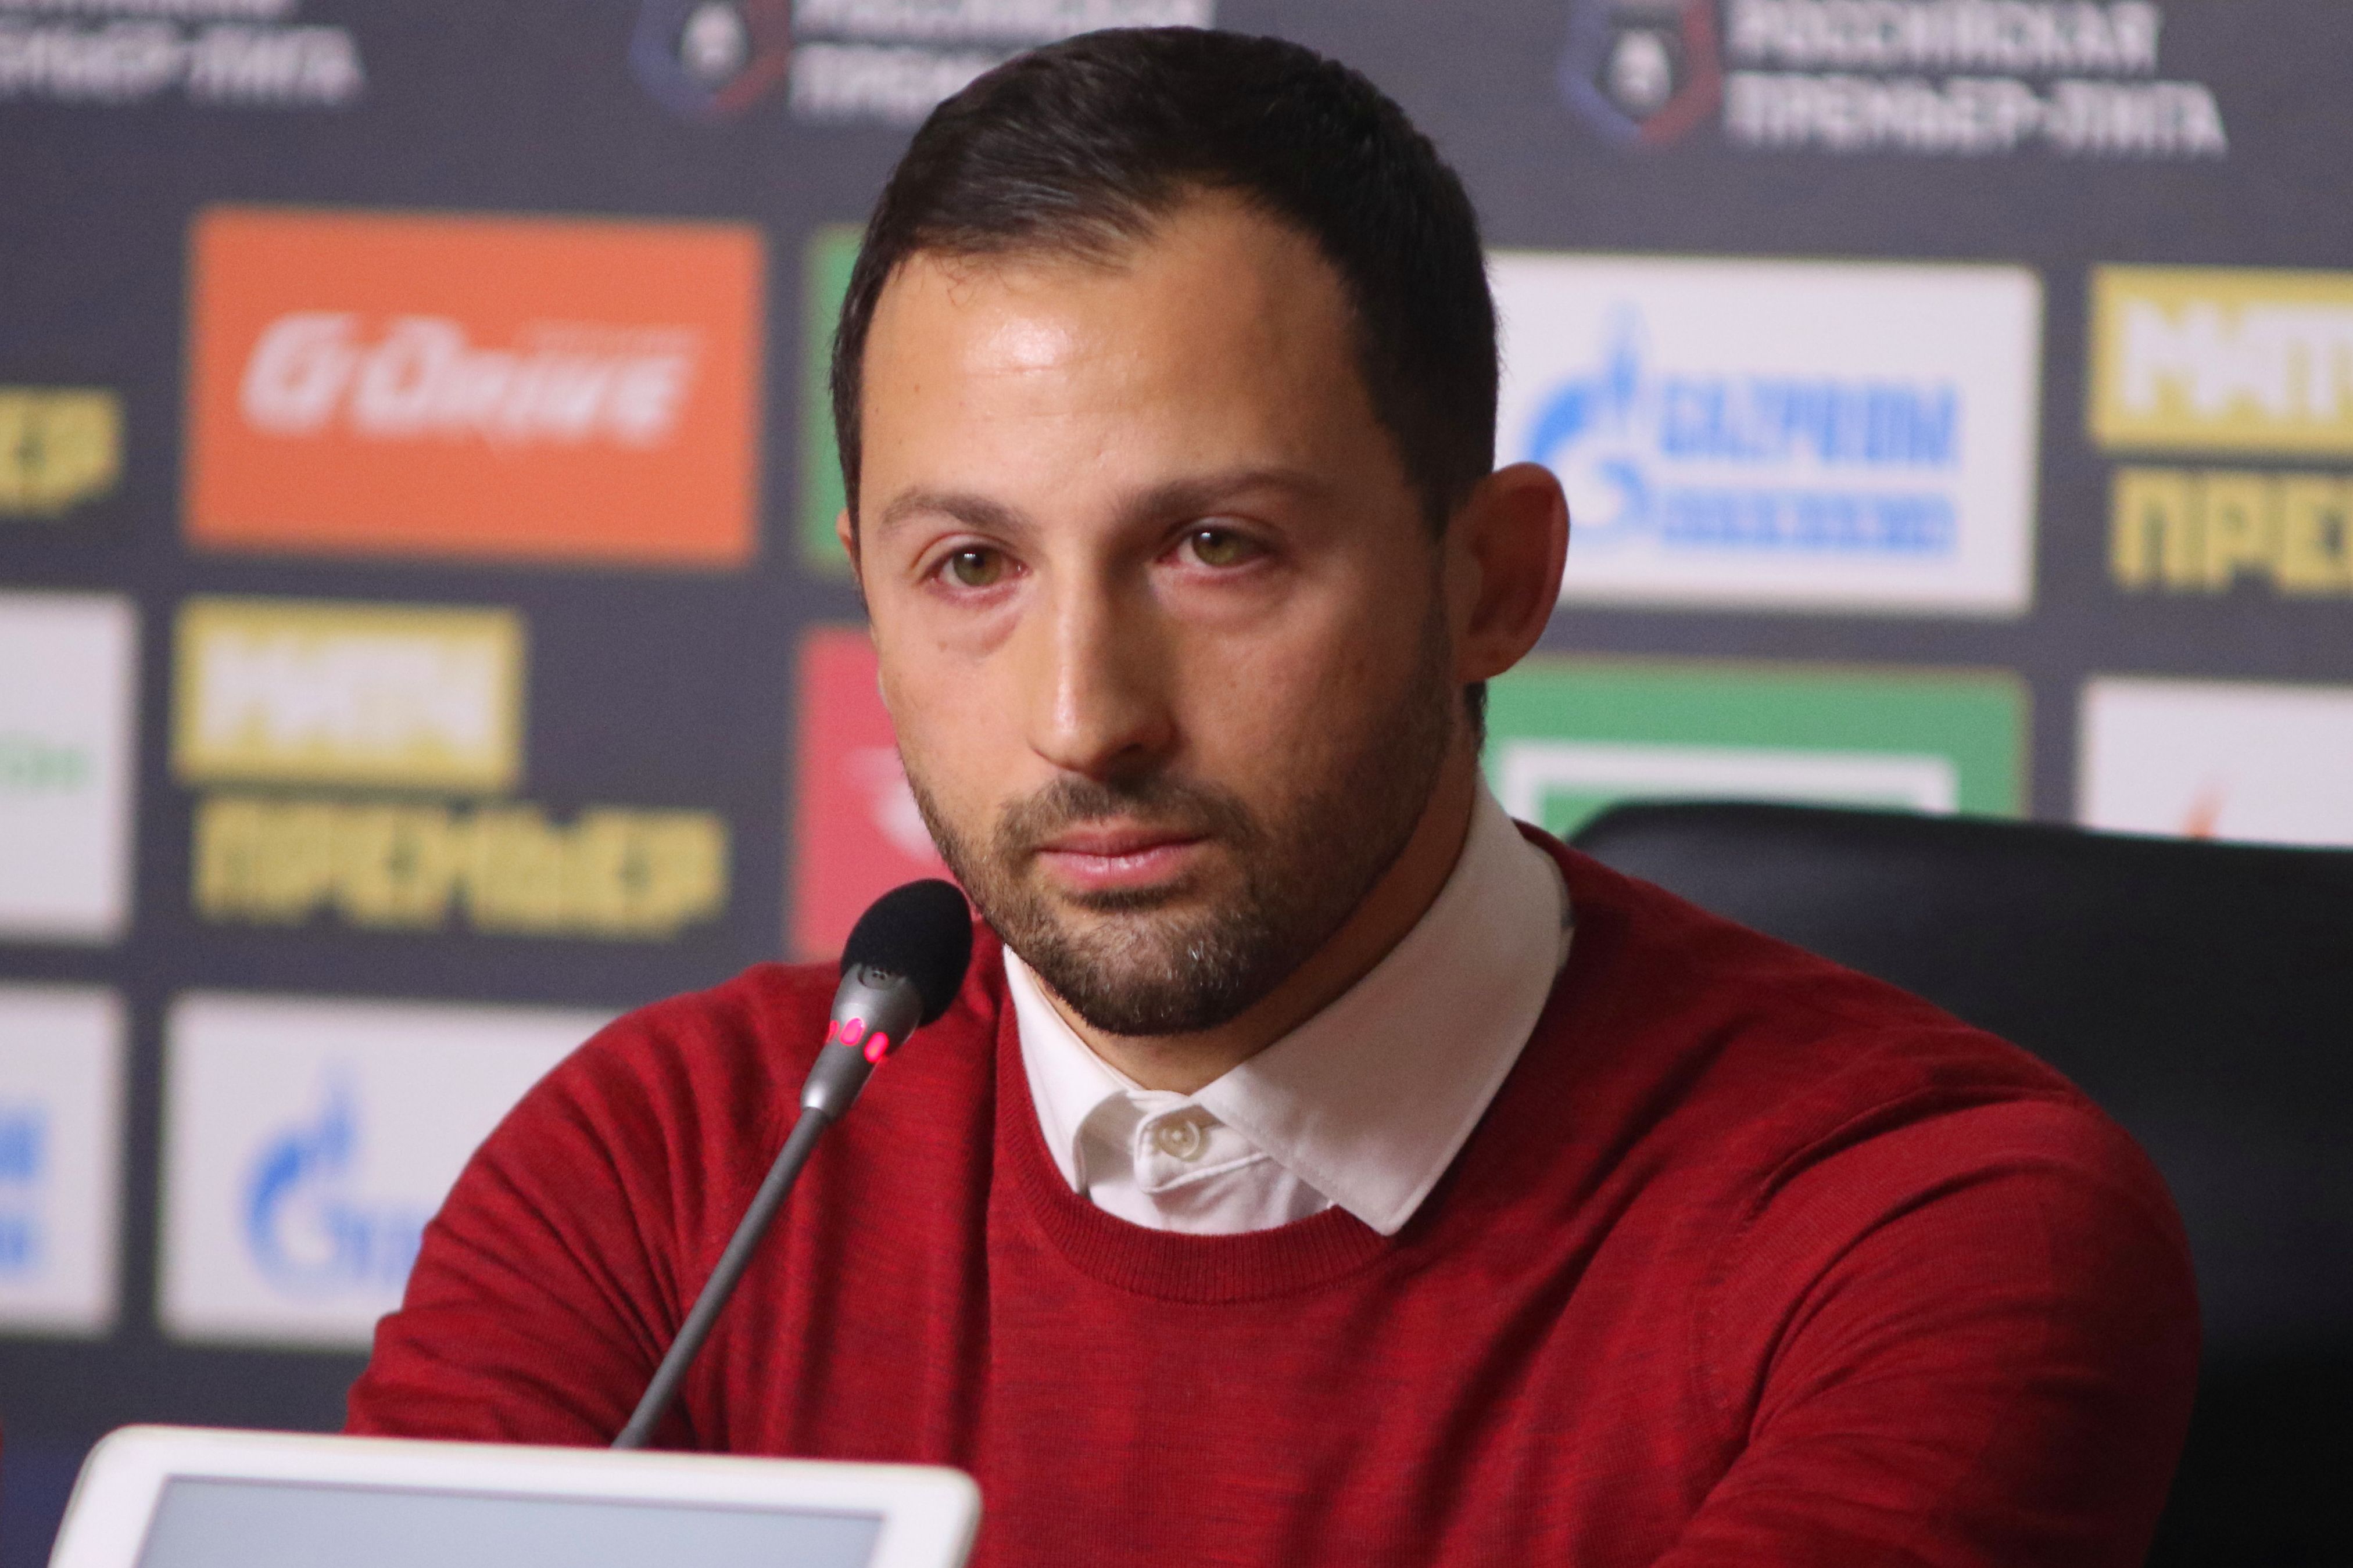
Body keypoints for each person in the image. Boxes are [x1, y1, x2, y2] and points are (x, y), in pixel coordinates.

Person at [349, 27, 2198, 1566]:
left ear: (1490, 580)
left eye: (1215, 547)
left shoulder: (1922, 1229)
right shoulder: (664, 1177)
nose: (1082, 717)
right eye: (971, 567)